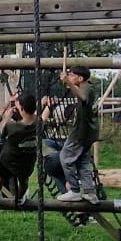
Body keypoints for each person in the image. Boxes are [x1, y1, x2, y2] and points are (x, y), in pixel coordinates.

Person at [44, 64, 102, 201]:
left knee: (65, 158)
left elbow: (82, 97)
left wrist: (68, 82)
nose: (69, 77)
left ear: (80, 78)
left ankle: (74, 190)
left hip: (80, 134)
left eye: (72, 75)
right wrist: (70, 83)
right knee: (83, 163)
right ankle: (90, 192)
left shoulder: (86, 89)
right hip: (88, 134)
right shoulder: (90, 88)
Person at [0, 91, 41, 204]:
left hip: (8, 160)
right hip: (27, 160)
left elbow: (2, 131)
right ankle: (19, 198)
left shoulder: (13, 126)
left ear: (22, 109)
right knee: (24, 181)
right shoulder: (39, 123)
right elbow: (40, 117)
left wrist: (7, 117)